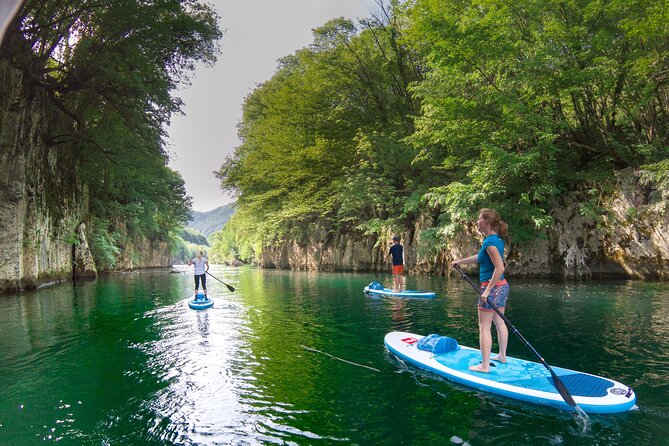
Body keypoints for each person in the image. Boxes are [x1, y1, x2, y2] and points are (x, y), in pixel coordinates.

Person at [451, 209, 509, 373]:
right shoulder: (495, 240)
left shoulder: (489, 243)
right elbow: (480, 257)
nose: (476, 222)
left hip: (492, 288)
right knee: (499, 322)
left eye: (479, 219)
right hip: (503, 286)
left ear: (487, 223)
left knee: (484, 327)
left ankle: (484, 366)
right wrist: (459, 262)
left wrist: (487, 290)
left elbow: (499, 268)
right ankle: (502, 356)